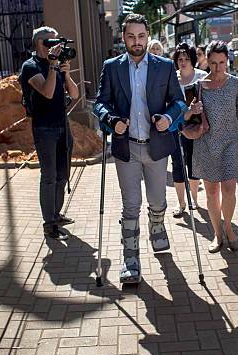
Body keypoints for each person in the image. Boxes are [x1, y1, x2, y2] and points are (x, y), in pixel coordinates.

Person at [94, 14, 185, 283]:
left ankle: (157, 225)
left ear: (147, 36)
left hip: (156, 148)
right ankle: (130, 260)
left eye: (141, 36)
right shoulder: (112, 67)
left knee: (157, 201)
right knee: (130, 206)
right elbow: (100, 103)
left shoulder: (164, 66)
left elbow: (179, 103)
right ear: (124, 38)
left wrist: (168, 118)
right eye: (131, 36)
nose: (137, 42)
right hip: (127, 149)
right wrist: (111, 120)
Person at [192, 40, 238, 253]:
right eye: (213, 63)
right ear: (207, 62)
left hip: (229, 143)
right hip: (206, 144)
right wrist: (193, 109)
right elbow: (189, 116)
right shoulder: (200, 86)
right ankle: (217, 233)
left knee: (229, 189)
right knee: (211, 192)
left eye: (222, 62)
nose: (218, 67)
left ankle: (228, 228)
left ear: (227, 60)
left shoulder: (235, 84)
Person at [19, 26, 79, 240]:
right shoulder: (30, 66)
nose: (56, 46)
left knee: (63, 175)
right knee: (50, 177)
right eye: (51, 42)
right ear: (40, 43)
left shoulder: (57, 65)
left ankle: (56, 214)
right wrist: (53, 67)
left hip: (63, 125)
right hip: (44, 129)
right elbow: (47, 91)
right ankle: (49, 224)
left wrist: (66, 72)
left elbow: (74, 94)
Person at [171, 43, 207, 217]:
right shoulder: (172, 79)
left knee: (195, 164)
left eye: (186, 58)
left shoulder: (202, 77)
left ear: (193, 59)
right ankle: (181, 203)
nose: (183, 62)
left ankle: (194, 200)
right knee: (177, 164)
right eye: (180, 59)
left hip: (197, 129)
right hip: (177, 128)